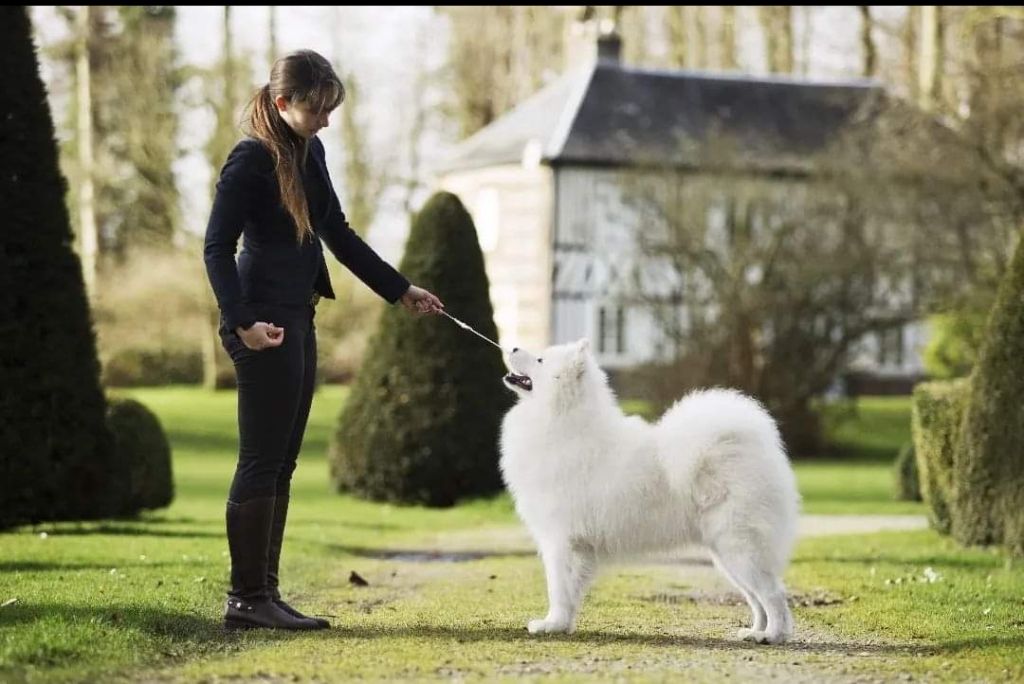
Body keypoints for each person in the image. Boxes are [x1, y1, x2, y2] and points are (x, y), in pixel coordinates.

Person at [203, 49, 443, 631]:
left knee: (281, 463)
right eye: (316, 109)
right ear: (283, 103)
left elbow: (336, 232)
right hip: (262, 324)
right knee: (261, 459)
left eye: (330, 109)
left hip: (298, 317)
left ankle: (265, 594)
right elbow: (216, 248)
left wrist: (399, 288)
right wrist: (241, 324)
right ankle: (245, 598)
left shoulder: (308, 151)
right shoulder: (250, 159)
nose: (326, 119)